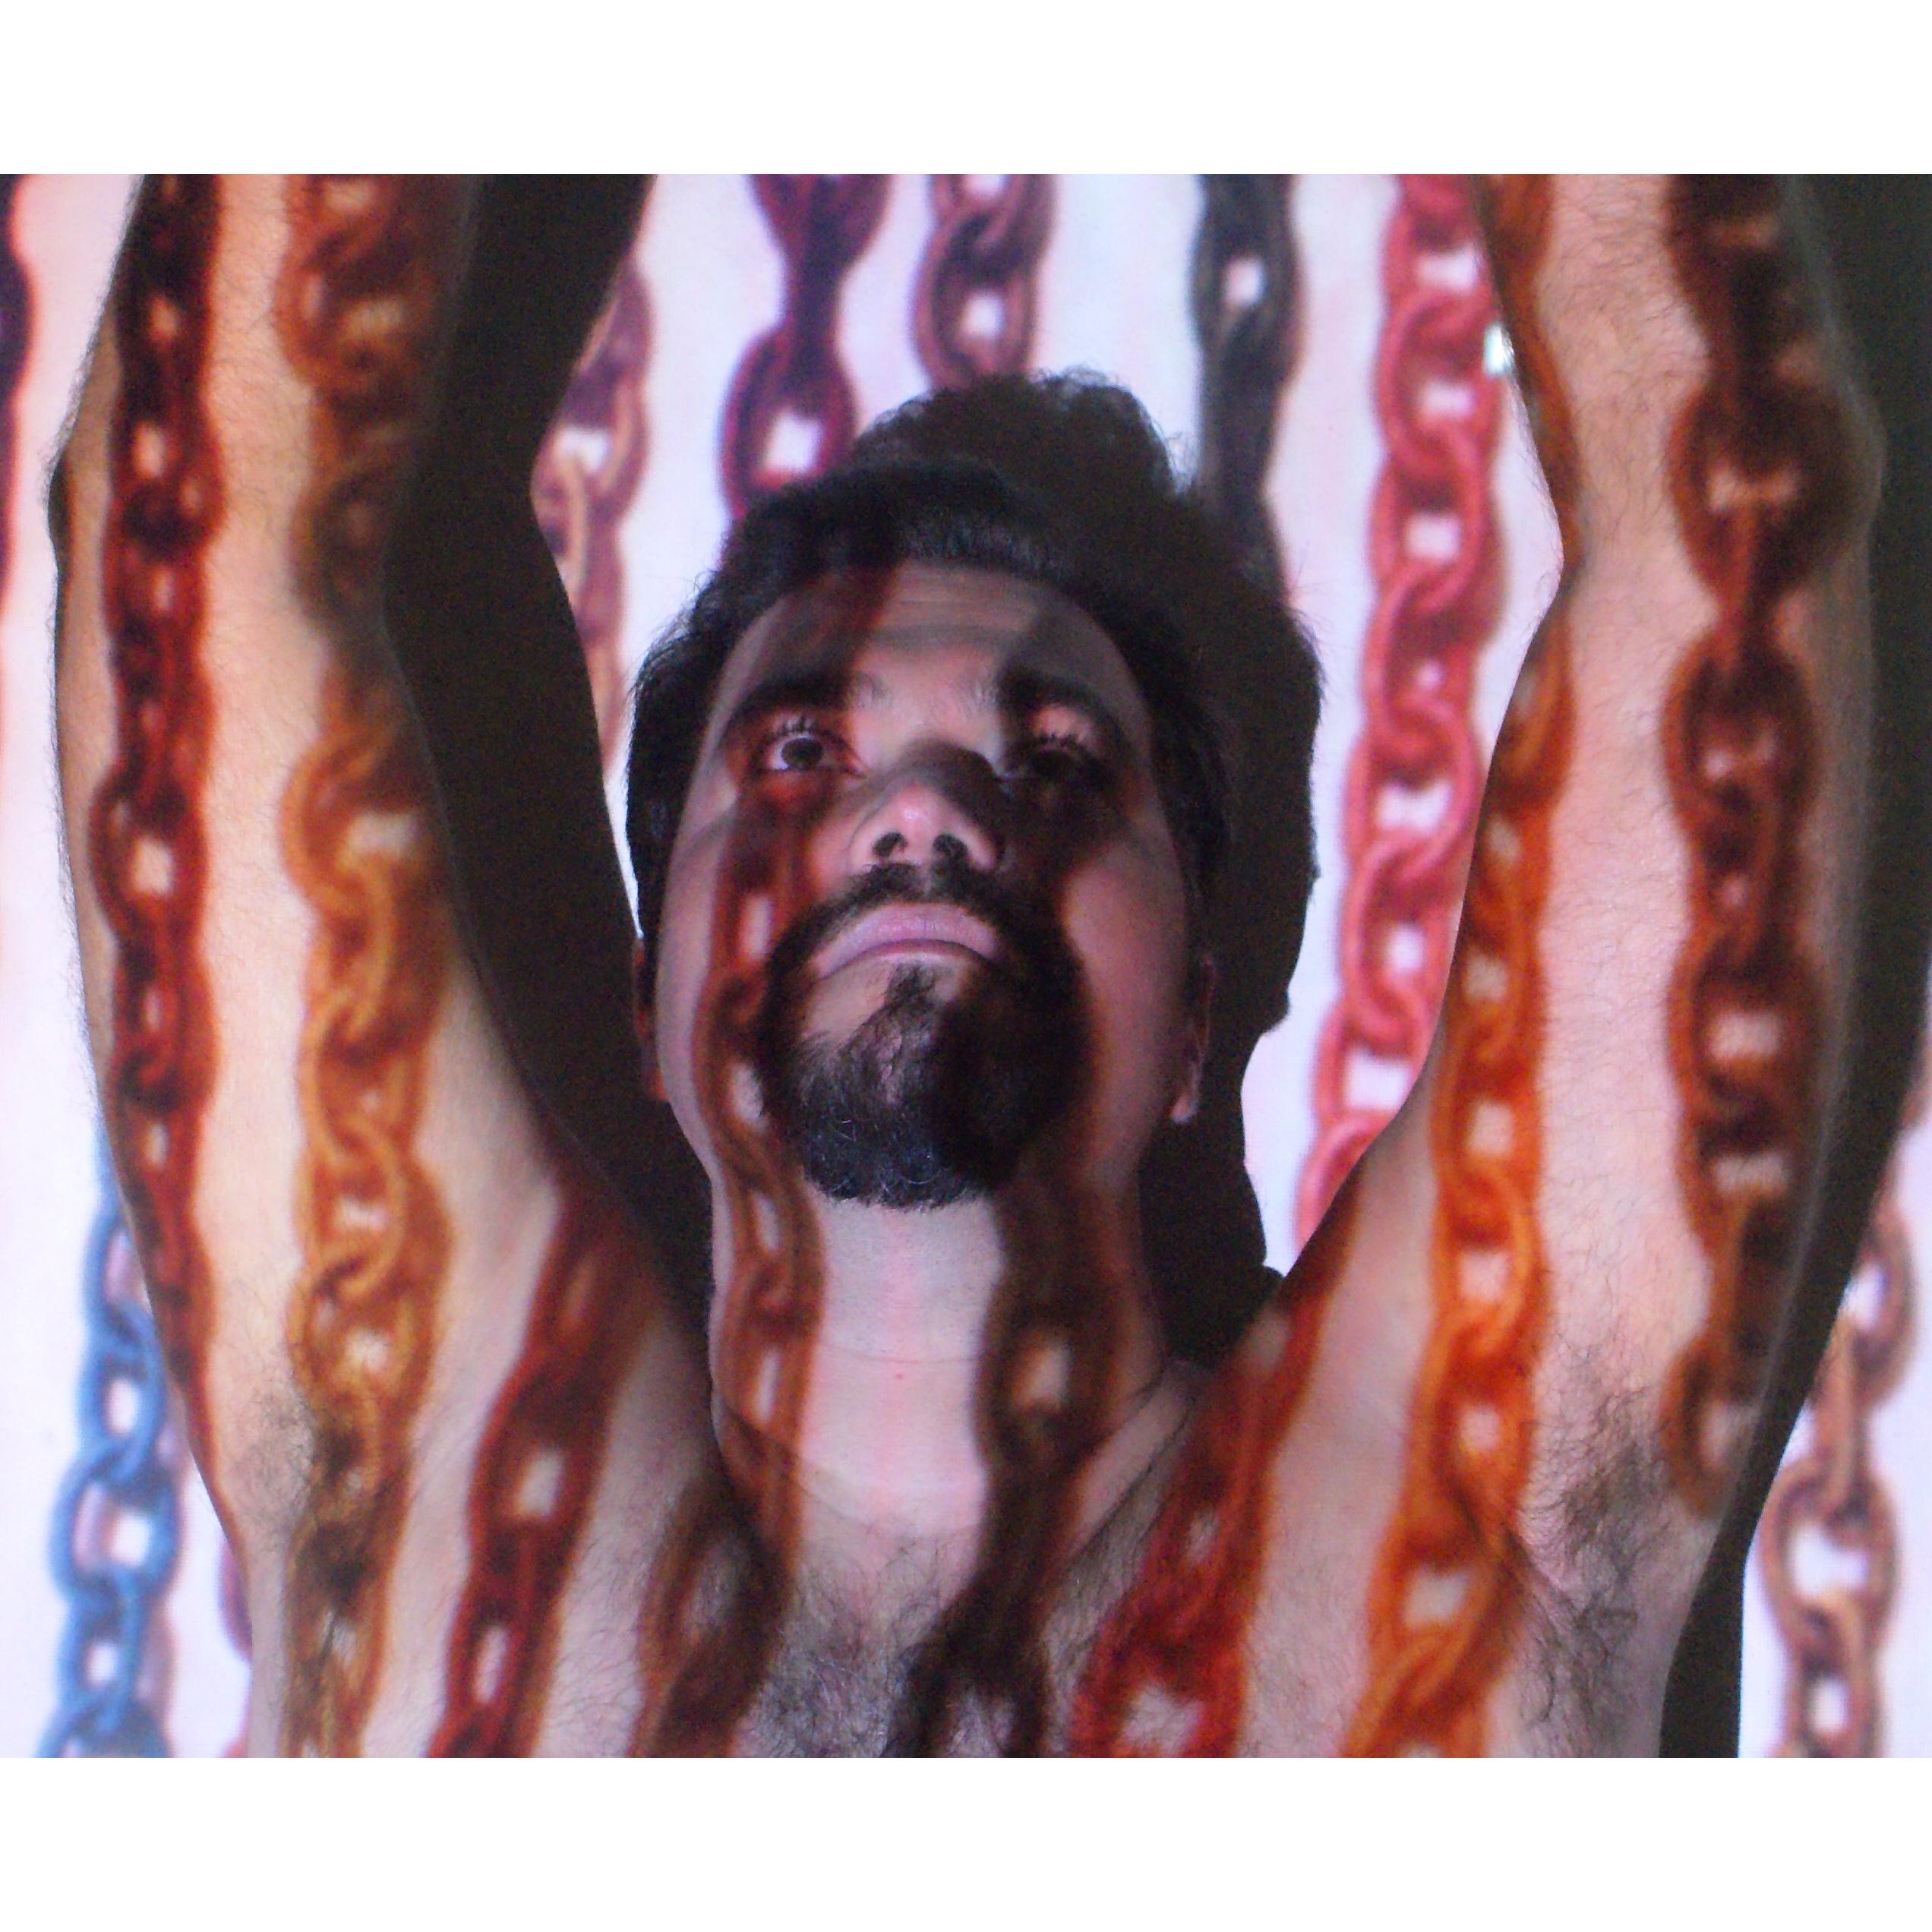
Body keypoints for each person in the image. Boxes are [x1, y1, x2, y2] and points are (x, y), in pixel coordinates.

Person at [51, 174, 1892, 1754]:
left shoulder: (1471, 1516)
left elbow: (1728, 523)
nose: (927, 808)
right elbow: (193, 543)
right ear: (653, 1001)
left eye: (1057, 765)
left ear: (1195, 1018)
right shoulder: (413, 1491)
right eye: (801, 754)